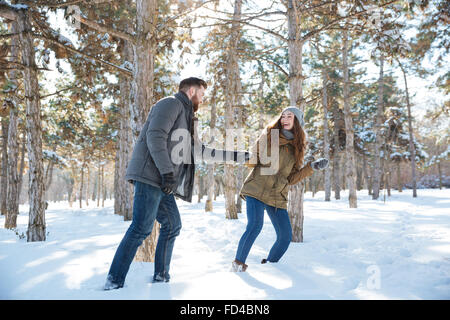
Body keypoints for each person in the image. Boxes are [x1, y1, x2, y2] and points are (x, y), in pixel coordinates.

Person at [105, 77, 249, 289]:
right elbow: (155, 136)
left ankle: (161, 278)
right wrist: (167, 173)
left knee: (172, 225)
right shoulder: (170, 103)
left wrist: (236, 156)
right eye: (201, 93)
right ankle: (114, 281)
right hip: (151, 176)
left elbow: (199, 151)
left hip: (163, 180)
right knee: (140, 229)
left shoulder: (189, 118)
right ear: (191, 90)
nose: (203, 98)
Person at [232, 107, 329, 272]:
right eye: (282, 116)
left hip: (277, 195)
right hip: (257, 189)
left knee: (285, 236)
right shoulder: (269, 135)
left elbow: (291, 178)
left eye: (289, 116)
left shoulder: (296, 148)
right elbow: (252, 159)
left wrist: (311, 167)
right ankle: (238, 265)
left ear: (297, 121)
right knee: (255, 225)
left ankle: (270, 266)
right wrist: (248, 156)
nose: (284, 119)